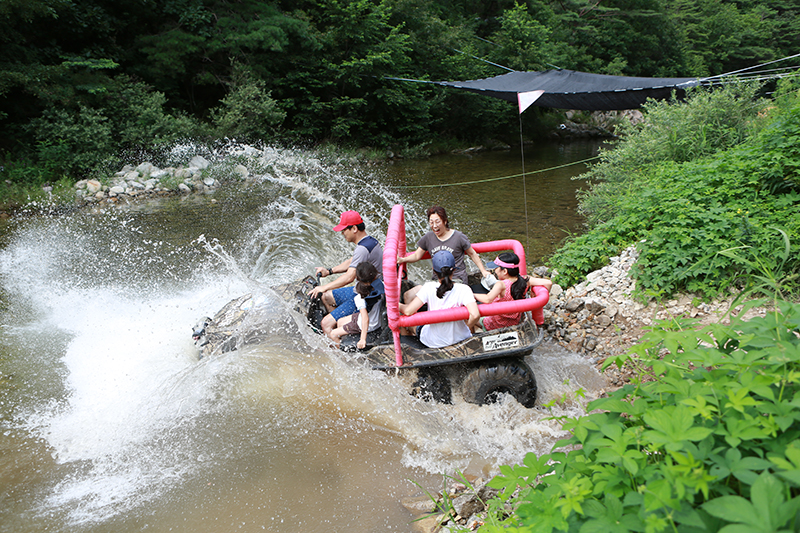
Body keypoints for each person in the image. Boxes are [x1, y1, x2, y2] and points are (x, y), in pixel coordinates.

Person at [310, 210, 383, 336]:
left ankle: (339, 345)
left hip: (367, 296)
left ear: (354, 228)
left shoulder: (362, 249)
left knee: (325, 324)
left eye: (344, 230)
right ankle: (342, 325)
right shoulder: (370, 241)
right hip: (362, 290)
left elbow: (349, 277)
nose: (342, 233)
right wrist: (329, 271)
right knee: (326, 297)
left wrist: (324, 287)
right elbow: (352, 261)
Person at [397, 206, 489, 303]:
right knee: (407, 295)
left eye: (437, 222)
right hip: (437, 280)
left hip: (456, 279)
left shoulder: (458, 237)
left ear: (445, 221)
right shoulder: (428, 237)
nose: (434, 226)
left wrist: (483, 271)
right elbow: (417, 255)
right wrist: (402, 260)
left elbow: (472, 254)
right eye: (431, 222)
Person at [399, 250, 480, 348]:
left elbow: (408, 311)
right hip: (462, 339)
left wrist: (395, 304)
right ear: (454, 270)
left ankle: (407, 352)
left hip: (433, 342)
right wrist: (467, 326)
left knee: (405, 323)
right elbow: (475, 315)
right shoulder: (464, 289)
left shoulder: (428, 287)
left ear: (434, 270)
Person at [474, 252, 552, 330]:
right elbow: (548, 283)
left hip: (496, 324)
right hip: (515, 322)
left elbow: (487, 299)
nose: (495, 270)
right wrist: (534, 295)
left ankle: (471, 338)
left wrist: (472, 294)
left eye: (496, 268)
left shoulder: (501, 285)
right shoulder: (525, 280)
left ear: (504, 271)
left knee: (469, 317)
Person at [328, 262, 385, 348]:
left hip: (368, 324)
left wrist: (363, 339)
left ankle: (340, 353)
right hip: (377, 319)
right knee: (340, 322)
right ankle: (346, 342)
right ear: (375, 275)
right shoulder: (382, 286)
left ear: (357, 278)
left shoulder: (360, 297)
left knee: (333, 334)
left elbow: (365, 318)